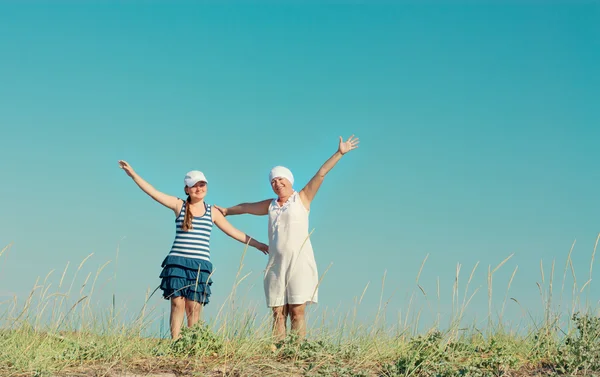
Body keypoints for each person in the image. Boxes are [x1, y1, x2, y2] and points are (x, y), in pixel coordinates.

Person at [215, 135, 359, 341]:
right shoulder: (270, 204)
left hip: (299, 262)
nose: (277, 183)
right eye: (273, 181)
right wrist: (227, 211)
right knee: (278, 312)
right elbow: (247, 207)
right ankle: (278, 354)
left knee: (297, 311)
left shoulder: (302, 198)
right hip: (275, 264)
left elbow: (321, 174)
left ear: (289, 180)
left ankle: (296, 352)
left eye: (280, 179)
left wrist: (339, 153)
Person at [118, 160, 269, 340]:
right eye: (193, 186)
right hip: (177, 262)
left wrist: (258, 244)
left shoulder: (212, 211)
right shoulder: (179, 205)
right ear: (187, 189)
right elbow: (154, 193)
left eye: (201, 184)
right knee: (177, 303)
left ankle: (192, 343)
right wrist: (133, 174)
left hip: (200, 265)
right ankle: (175, 341)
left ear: (206, 186)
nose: (198, 188)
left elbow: (233, 232)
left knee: (194, 306)